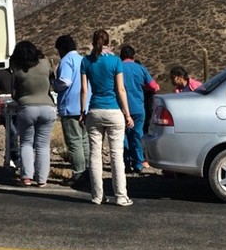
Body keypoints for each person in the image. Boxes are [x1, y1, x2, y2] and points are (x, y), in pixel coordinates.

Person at [79, 29, 135, 206]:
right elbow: (120, 90)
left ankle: (97, 196)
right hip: (113, 111)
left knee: (95, 155)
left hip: (94, 111)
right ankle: (120, 196)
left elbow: (84, 90)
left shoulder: (86, 61)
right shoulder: (115, 61)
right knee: (116, 155)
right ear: (108, 42)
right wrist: (127, 114)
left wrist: (83, 111)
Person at [10, 40, 57, 187]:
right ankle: (42, 179)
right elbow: (52, 80)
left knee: (26, 143)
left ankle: (26, 177)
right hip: (48, 108)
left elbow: (14, 94)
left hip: (27, 108)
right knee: (43, 145)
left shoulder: (18, 70)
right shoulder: (45, 64)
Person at [53, 34, 90, 187]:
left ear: (62, 48)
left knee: (74, 142)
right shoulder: (83, 59)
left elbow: (65, 81)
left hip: (70, 107)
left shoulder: (66, 61)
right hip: (84, 106)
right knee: (84, 141)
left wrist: (54, 84)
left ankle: (78, 173)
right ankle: (89, 172)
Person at [119, 44, 159, 173]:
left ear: (121, 56)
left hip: (121, 109)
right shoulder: (140, 69)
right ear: (133, 56)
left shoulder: (117, 68)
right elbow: (155, 87)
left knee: (123, 136)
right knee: (137, 135)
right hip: (137, 107)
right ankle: (138, 163)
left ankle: (125, 163)